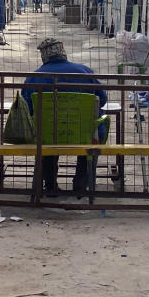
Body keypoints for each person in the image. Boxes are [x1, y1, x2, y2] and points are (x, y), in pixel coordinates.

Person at [22, 38, 108, 197]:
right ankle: (80, 186)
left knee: (47, 135)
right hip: (84, 133)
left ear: (44, 56)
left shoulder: (33, 77)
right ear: (63, 53)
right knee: (90, 137)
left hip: (48, 135)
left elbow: (27, 107)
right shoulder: (85, 71)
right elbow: (102, 99)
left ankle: (50, 186)